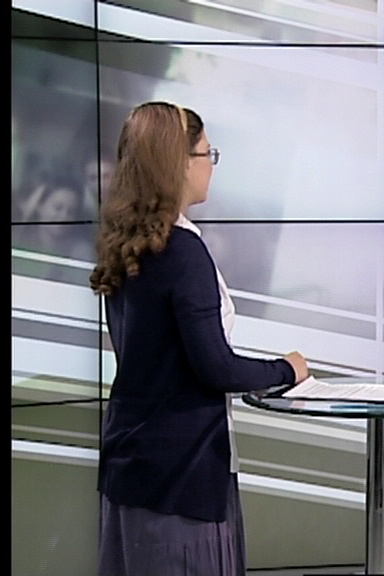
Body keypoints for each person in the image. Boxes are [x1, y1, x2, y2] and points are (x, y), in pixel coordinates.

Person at [90, 102, 309, 576]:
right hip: (179, 476)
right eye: (206, 153)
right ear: (177, 163)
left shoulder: (128, 243)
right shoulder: (182, 250)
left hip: (133, 463)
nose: (211, 165)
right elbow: (215, 367)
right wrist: (287, 370)